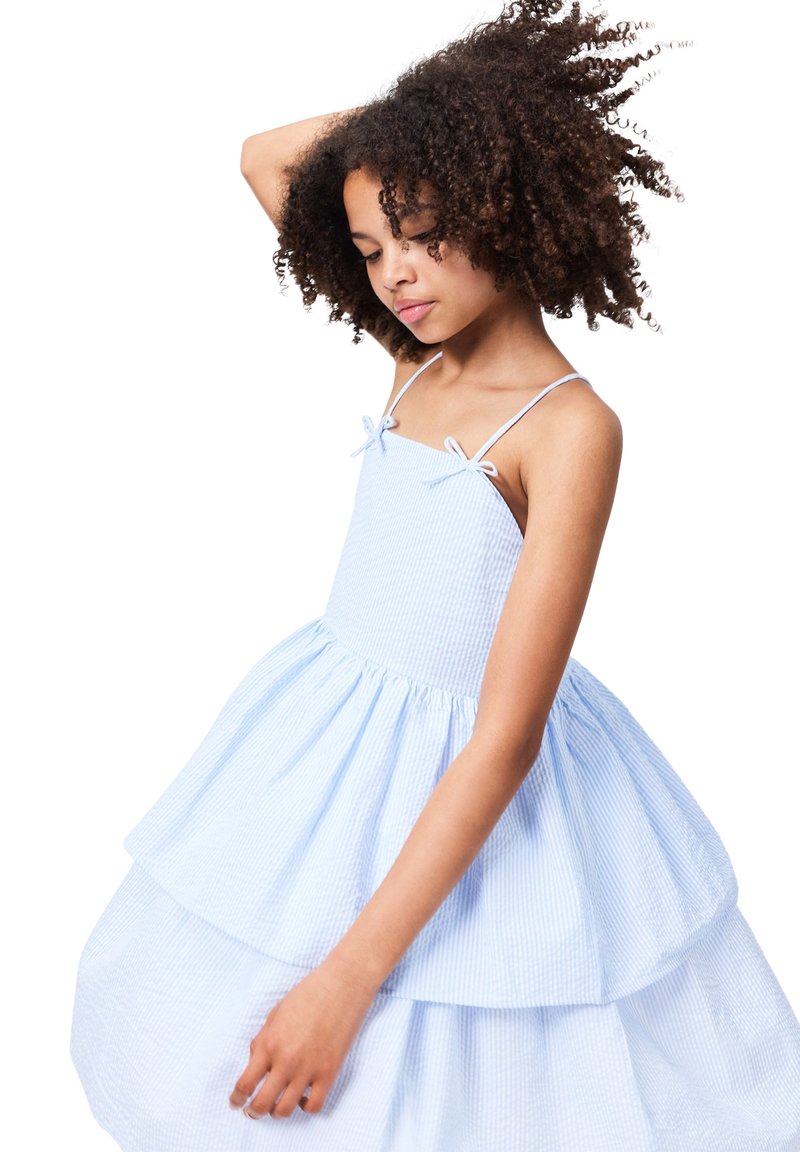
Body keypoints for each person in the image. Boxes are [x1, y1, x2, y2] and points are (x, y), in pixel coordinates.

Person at [70, 1, 800, 1148]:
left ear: (498, 200)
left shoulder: (567, 428)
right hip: (332, 753)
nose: (393, 276)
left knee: (465, 1068)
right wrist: (429, 122)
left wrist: (342, 981)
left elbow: (503, 740)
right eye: (370, 249)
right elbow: (264, 157)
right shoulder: (415, 358)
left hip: (474, 772)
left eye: (420, 232)